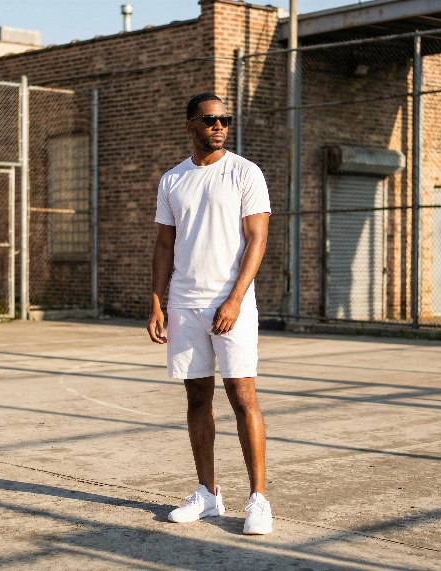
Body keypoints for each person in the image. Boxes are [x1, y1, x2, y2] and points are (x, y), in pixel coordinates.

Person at [147, 93, 273, 535]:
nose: (219, 125)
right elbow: (165, 245)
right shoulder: (173, 180)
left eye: (225, 119)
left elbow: (257, 240)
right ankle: (208, 493)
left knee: (243, 397)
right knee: (197, 398)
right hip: (185, 302)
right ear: (191, 126)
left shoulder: (244, 172)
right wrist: (158, 301)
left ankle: (258, 499)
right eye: (210, 119)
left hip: (231, 302)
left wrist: (236, 298)